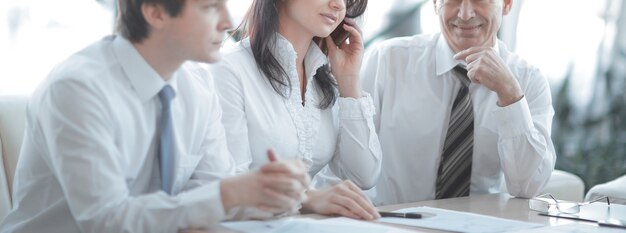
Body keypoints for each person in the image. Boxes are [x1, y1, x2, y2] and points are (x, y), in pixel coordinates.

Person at [0, 0, 310, 232]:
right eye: (209, 7)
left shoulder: (199, 85)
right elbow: (107, 221)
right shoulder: (78, 88)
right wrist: (229, 193)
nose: (229, 22)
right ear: (156, 11)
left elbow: (207, 198)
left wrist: (269, 193)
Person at [361, 0, 556, 205]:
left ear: (507, 4)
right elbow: (348, 166)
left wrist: (510, 95)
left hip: (481, 225)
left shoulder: (527, 80)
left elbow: (527, 187)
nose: (464, 14)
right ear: (436, 4)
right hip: (394, 224)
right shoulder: (387, 60)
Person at [209, 0, 382, 220]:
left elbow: (364, 176)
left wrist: (349, 81)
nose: (338, 5)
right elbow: (227, 184)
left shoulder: (325, 79)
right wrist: (308, 199)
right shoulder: (229, 69)